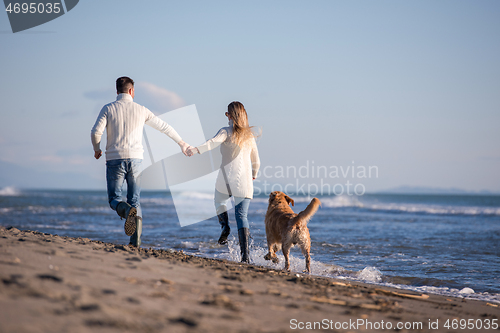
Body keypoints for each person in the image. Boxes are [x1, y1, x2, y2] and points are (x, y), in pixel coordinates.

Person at [91, 76, 191, 247]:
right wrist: (182, 143)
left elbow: (95, 132)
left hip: (114, 159)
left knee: (114, 199)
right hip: (136, 160)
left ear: (117, 91)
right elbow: (164, 127)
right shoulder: (141, 110)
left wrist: (97, 149)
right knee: (135, 201)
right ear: (131, 91)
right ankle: (135, 241)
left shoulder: (108, 108)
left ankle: (125, 210)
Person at [187, 101, 260, 263]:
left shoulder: (226, 131)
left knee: (219, 200)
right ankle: (245, 257)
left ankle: (225, 226)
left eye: (227, 114)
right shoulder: (250, 136)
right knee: (242, 216)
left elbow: (211, 143)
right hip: (245, 181)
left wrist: (195, 149)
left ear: (229, 115)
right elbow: (257, 161)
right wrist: (253, 174)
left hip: (226, 179)